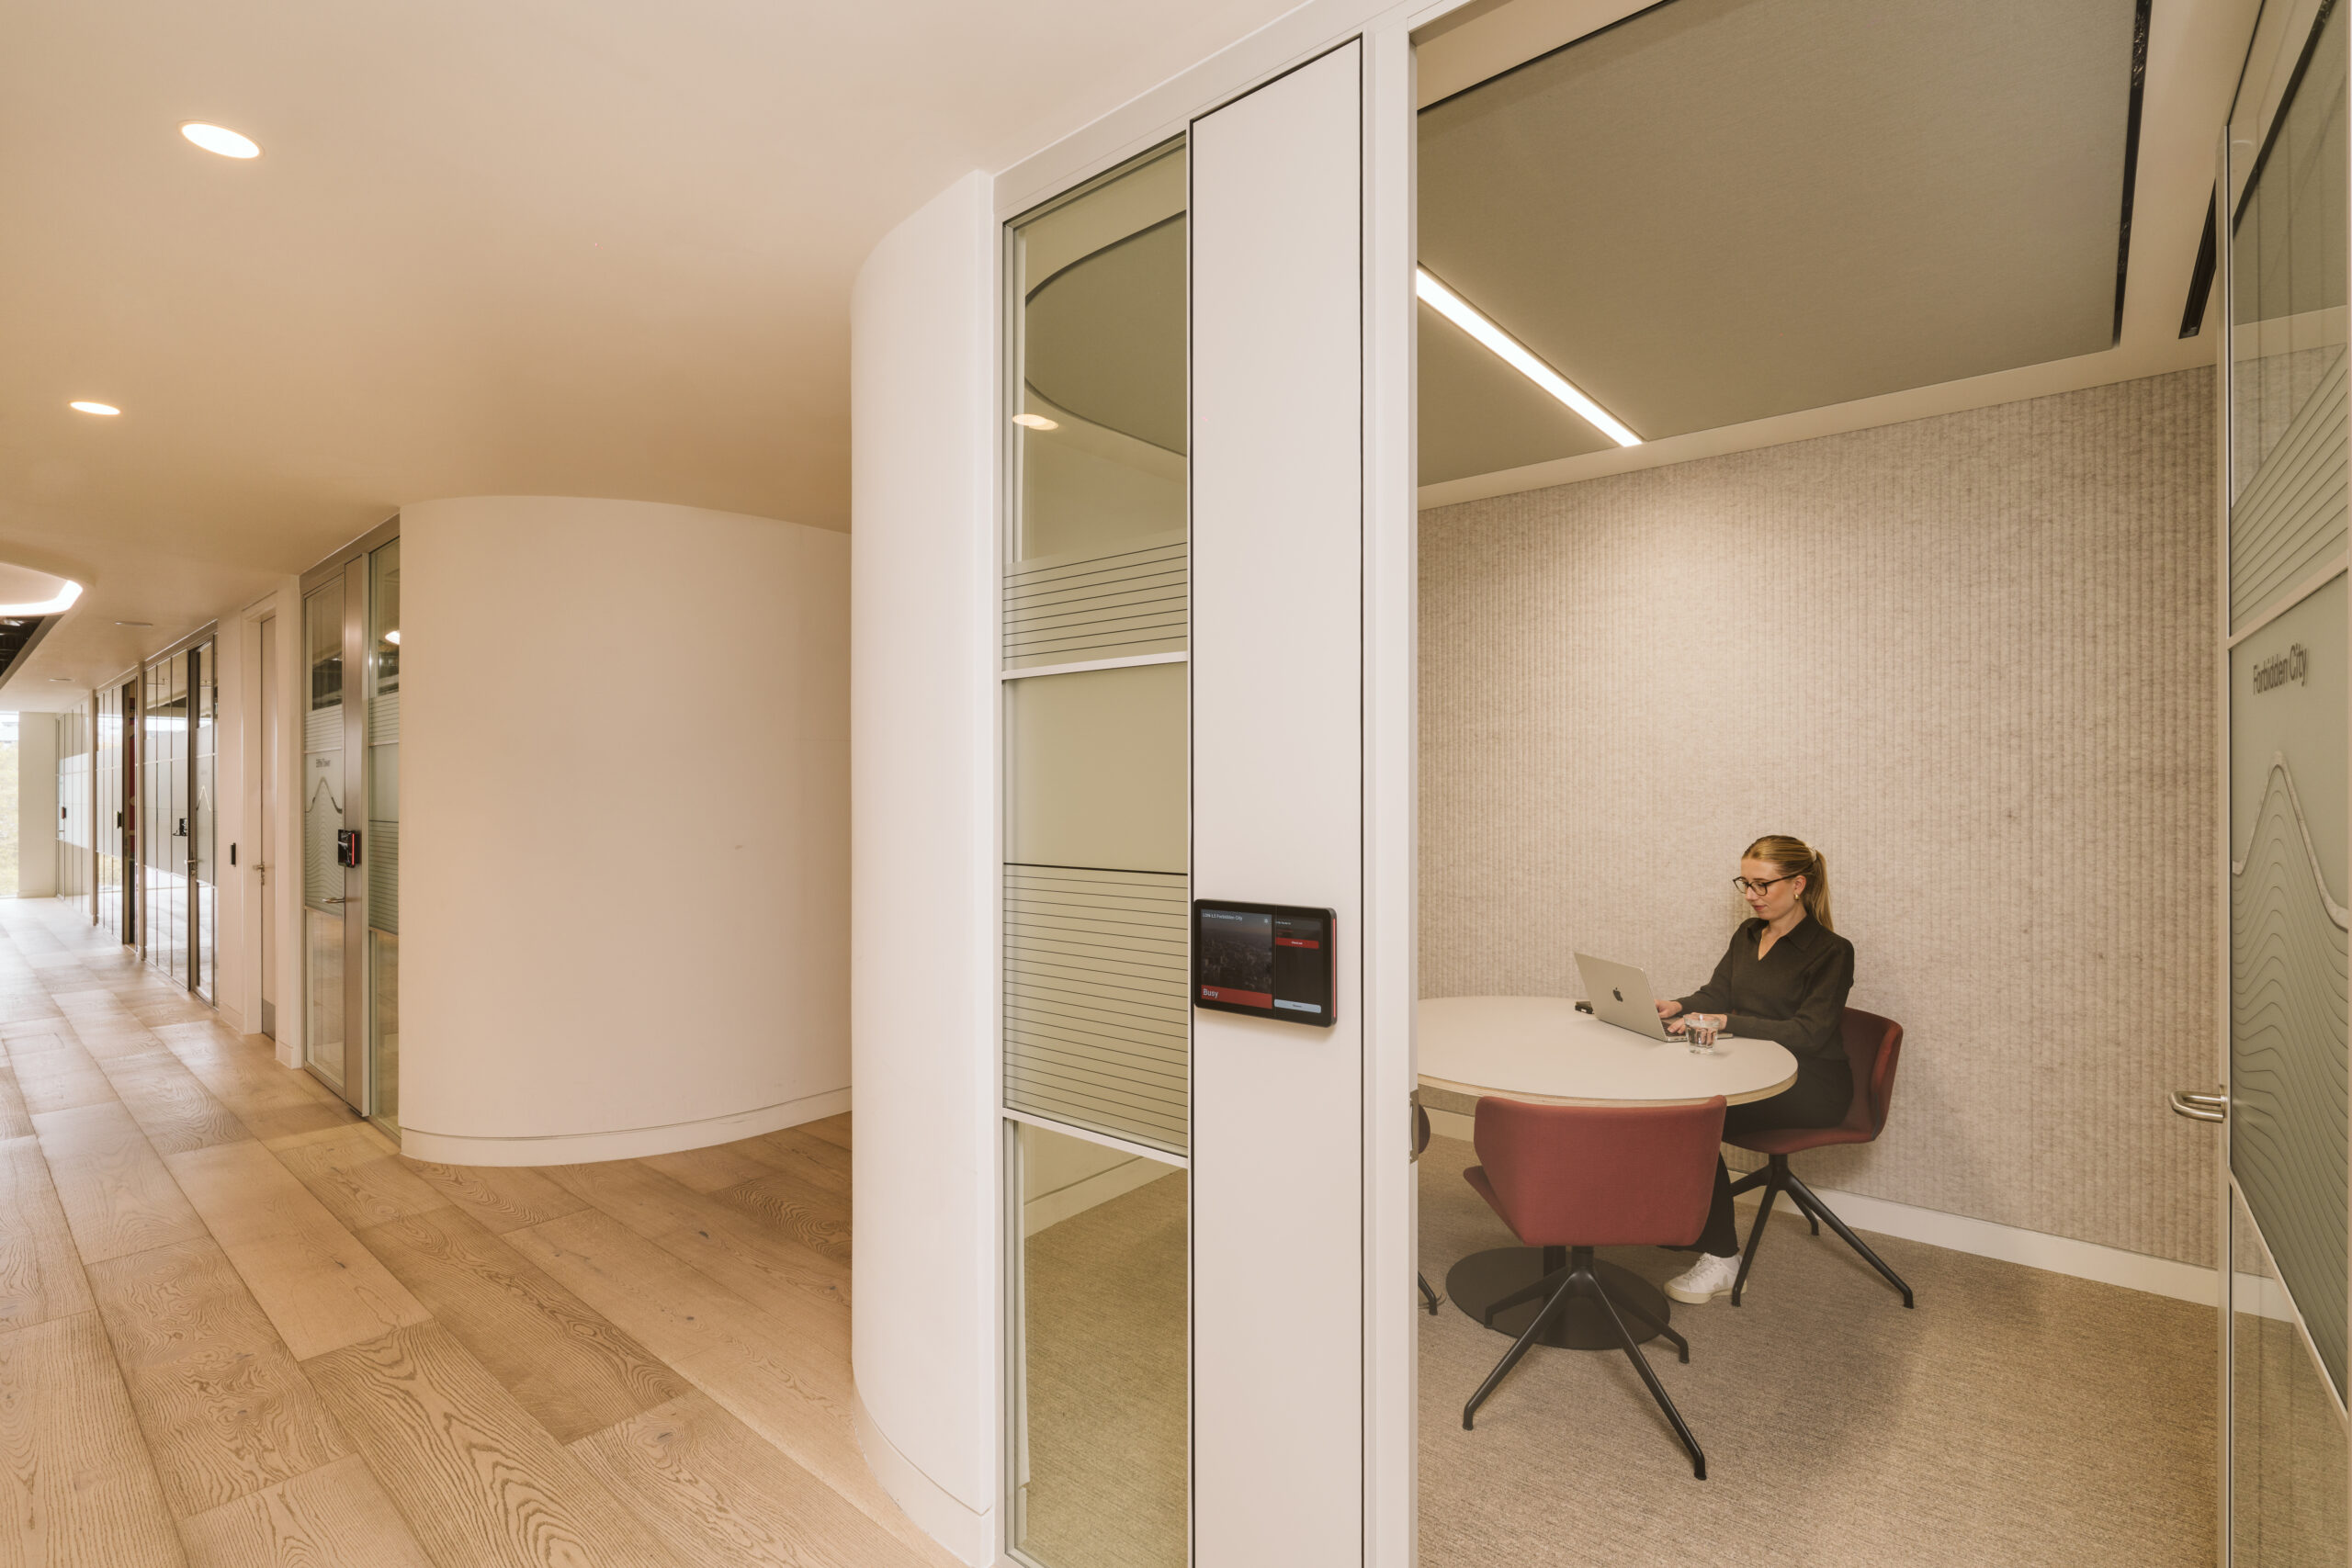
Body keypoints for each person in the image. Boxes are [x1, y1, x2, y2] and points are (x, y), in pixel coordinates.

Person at [1652, 834, 1854, 1304]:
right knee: (1666, 1107)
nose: (1750, 895)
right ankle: (1684, 1223)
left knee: (1696, 1121)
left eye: (1762, 884)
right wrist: (1678, 1005)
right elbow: (1716, 995)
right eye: (1745, 883)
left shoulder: (1832, 951)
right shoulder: (1748, 934)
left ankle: (1723, 1260)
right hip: (1754, 1070)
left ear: (1798, 884)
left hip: (1812, 1084)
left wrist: (1725, 1021)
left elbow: (1809, 1033)